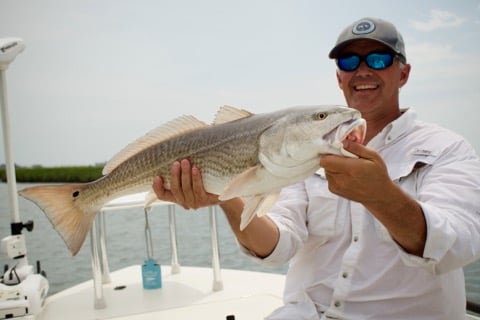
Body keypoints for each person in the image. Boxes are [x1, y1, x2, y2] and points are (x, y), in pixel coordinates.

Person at [152, 17, 480, 319]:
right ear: (339, 77)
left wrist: (382, 198)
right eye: (349, 61)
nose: (362, 70)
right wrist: (226, 194)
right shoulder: (304, 151)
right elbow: (278, 244)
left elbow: (459, 245)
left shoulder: (446, 149)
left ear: (403, 73)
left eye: (378, 59)